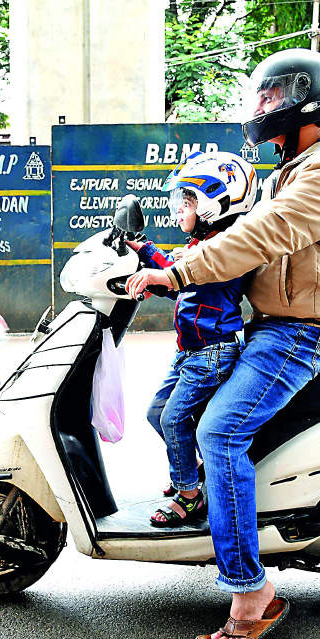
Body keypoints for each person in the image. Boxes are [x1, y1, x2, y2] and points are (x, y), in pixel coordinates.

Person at [124, 48, 320, 639]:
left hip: (304, 332)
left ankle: (251, 593)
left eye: (275, 96)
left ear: (309, 103)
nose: (263, 107)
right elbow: (232, 232)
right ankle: (204, 502)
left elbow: (260, 235)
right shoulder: (295, 167)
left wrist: (178, 273)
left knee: (218, 433)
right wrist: (152, 253)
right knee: (164, 411)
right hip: (271, 326)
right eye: (262, 96)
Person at [127, 151, 259, 527]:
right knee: (158, 413)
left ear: (219, 203)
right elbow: (178, 279)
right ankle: (194, 472)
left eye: (189, 201)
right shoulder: (200, 247)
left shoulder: (227, 248)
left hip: (214, 352)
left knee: (174, 418)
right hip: (190, 352)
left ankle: (189, 496)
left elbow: (186, 273)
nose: (179, 210)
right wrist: (143, 252)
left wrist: (156, 268)